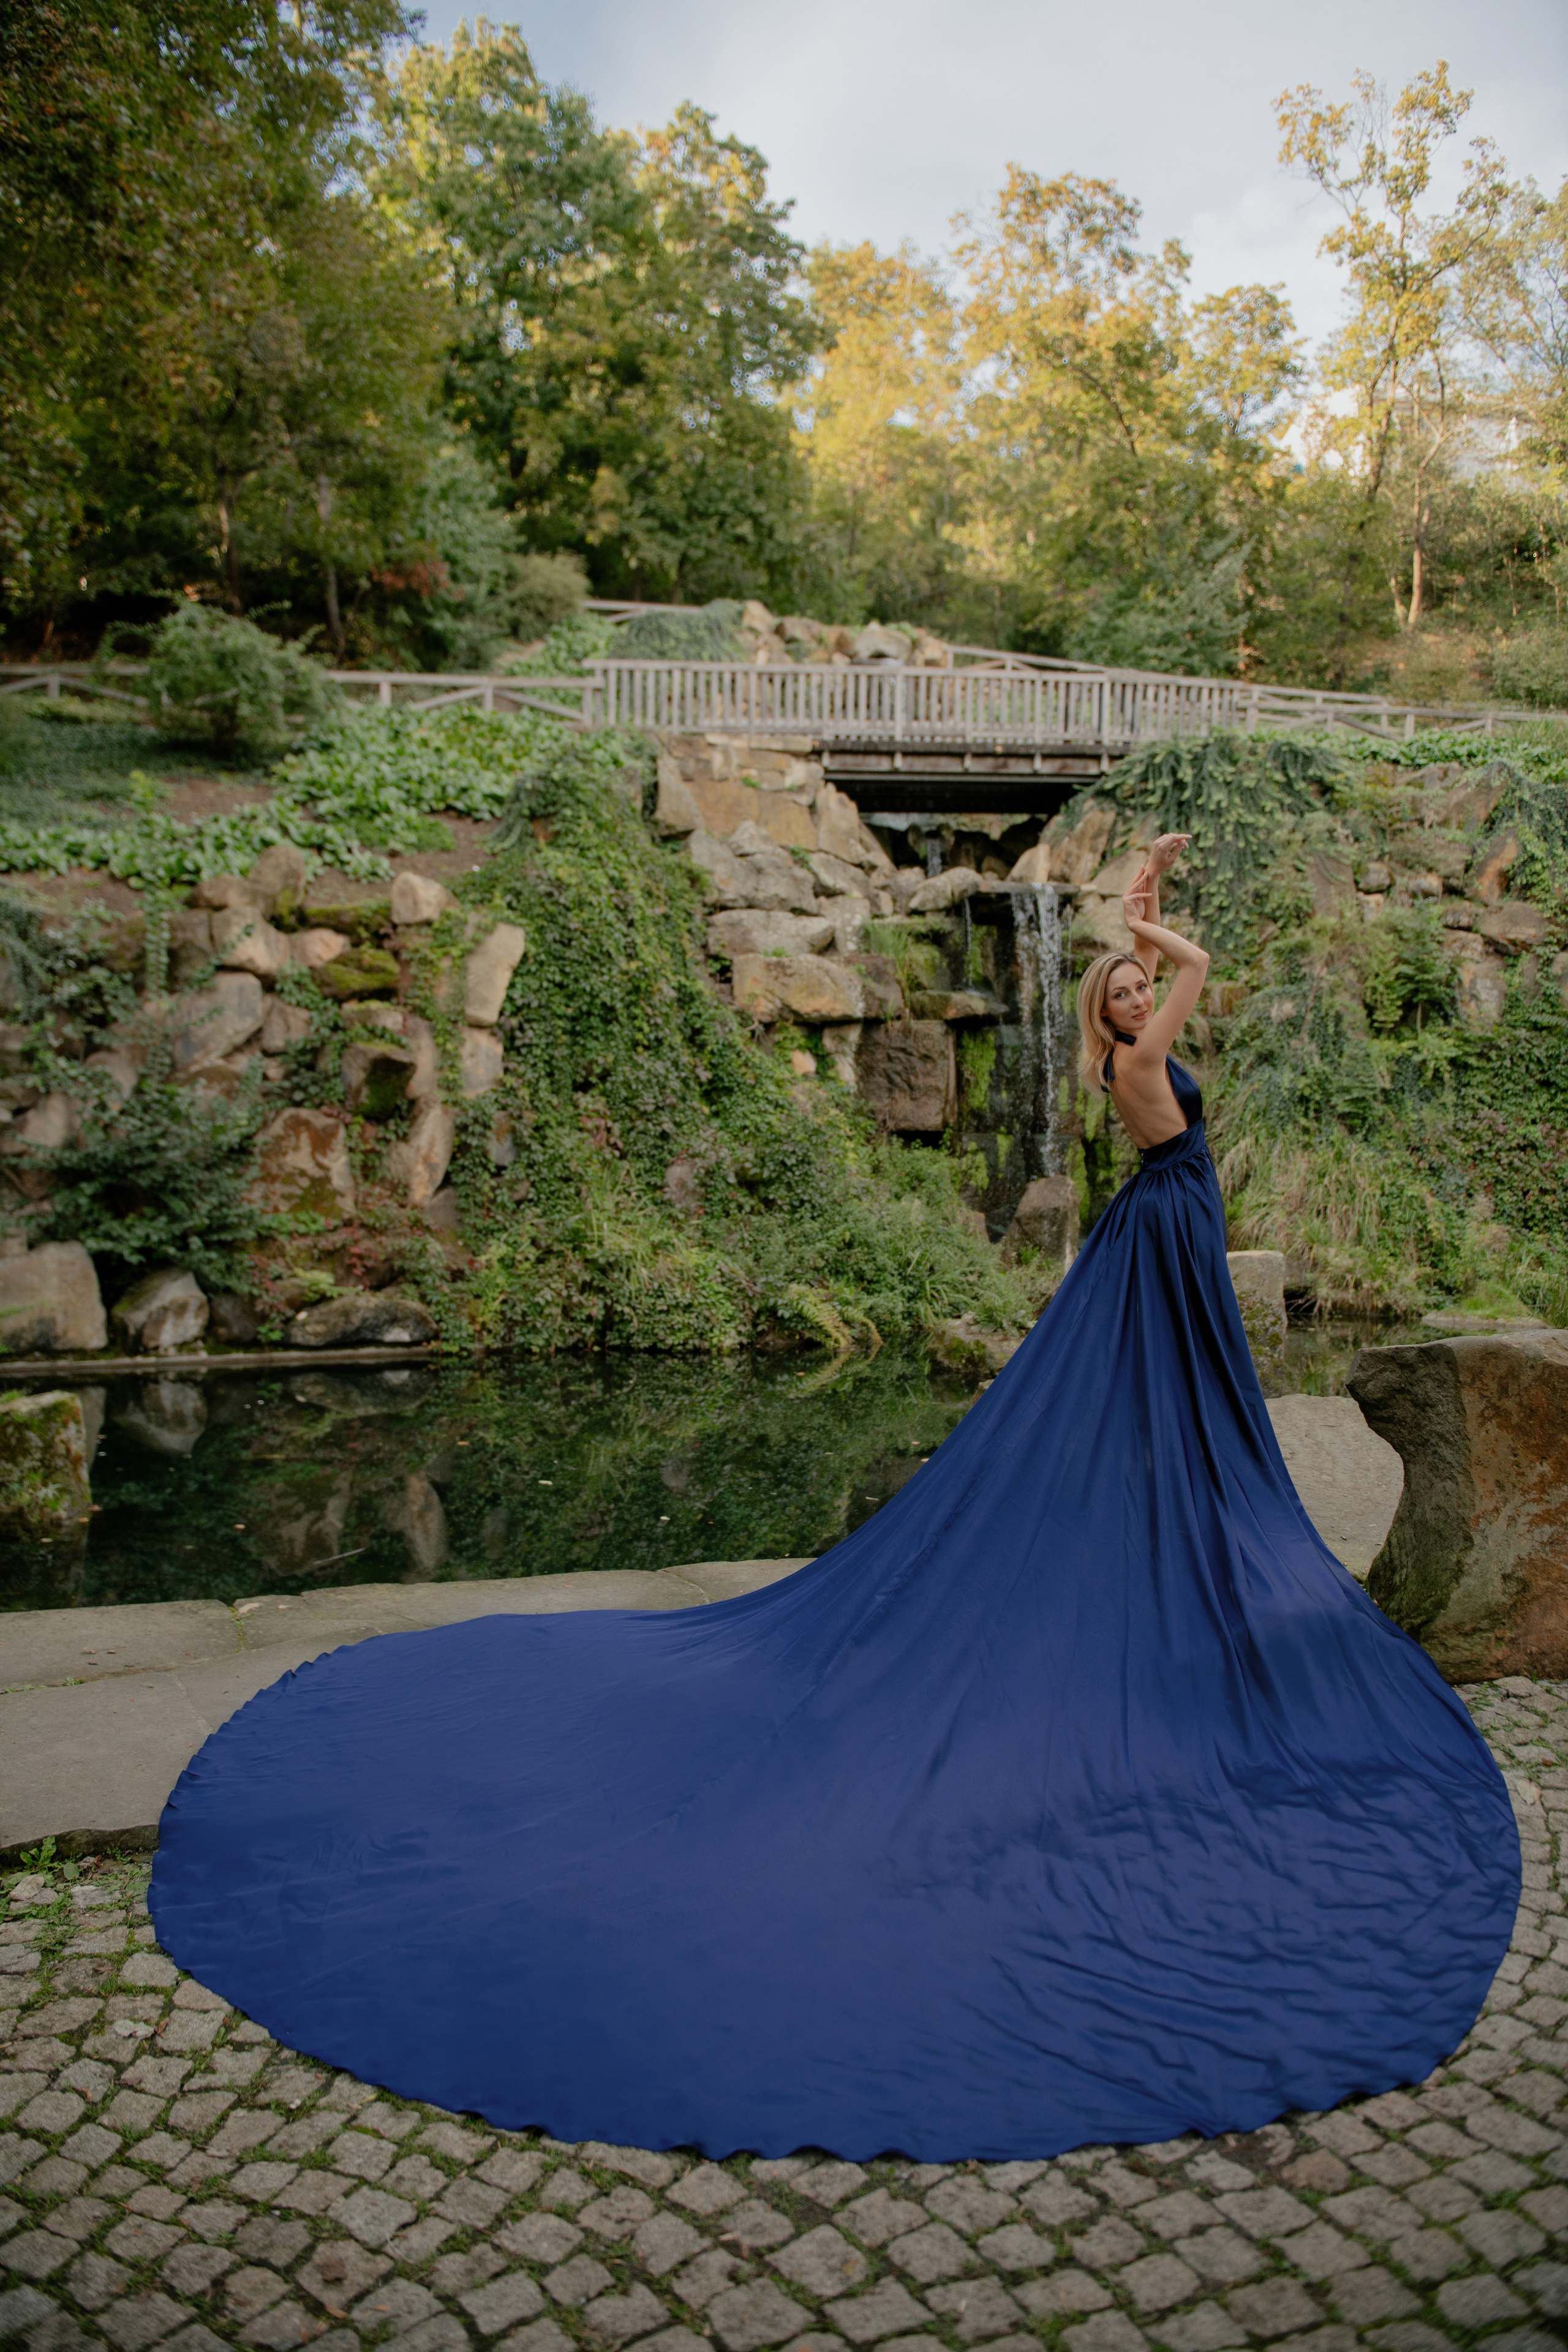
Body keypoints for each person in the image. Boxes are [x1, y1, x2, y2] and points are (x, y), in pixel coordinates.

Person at [151, 834, 1518, 2163]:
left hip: (1156, 1238)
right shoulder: (1137, 1064)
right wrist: (1162, 939)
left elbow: (1153, 962)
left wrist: (1128, 910)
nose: (1130, 991)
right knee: (1157, 1421)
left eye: (1126, 982)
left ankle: (1165, 1554)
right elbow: (1198, 967)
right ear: (1111, 1025)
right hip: (1163, 1233)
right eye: (1116, 989)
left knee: (1162, 1426)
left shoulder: (1123, 1036)